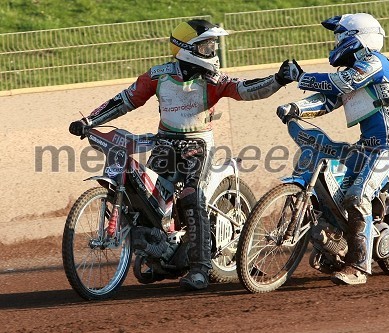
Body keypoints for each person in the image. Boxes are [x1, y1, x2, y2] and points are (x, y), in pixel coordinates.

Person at [69, 19, 292, 291]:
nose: (213, 51)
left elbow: (245, 90)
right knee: (146, 197)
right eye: (206, 45)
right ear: (187, 49)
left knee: (190, 195)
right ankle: (160, 253)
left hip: (198, 144)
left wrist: (279, 79)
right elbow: (125, 99)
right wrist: (90, 121)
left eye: (212, 45)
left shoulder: (213, 79)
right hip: (164, 142)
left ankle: (200, 268)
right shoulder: (158, 75)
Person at [277, 13, 389, 285]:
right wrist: (295, 109)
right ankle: (336, 242)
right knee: (330, 188)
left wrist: (301, 76)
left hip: (388, 146)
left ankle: (359, 267)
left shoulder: (374, 63)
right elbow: (328, 101)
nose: (336, 42)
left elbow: (340, 84)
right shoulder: (353, 72)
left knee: (358, 196)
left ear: (359, 37)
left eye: (341, 36)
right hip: (365, 147)